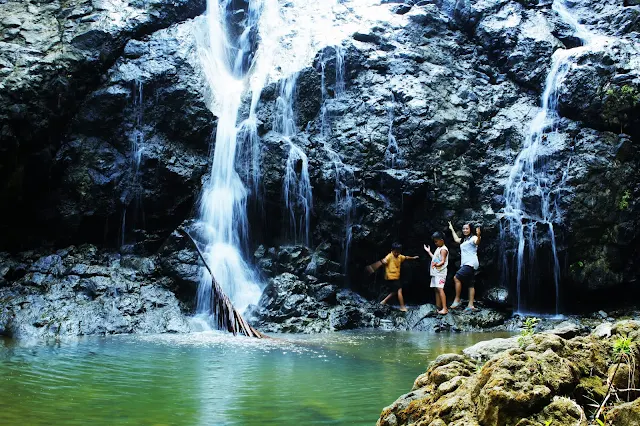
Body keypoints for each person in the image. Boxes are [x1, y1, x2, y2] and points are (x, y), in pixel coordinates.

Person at [448, 221, 481, 311]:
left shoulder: (473, 238)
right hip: (468, 264)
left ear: (470, 229)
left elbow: (477, 242)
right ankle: (470, 305)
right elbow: (456, 239)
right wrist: (451, 229)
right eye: (463, 229)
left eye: (467, 228)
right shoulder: (464, 240)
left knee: (456, 278)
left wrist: (478, 235)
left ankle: (457, 299)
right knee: (470, 284)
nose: (465, 230)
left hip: (470, 263)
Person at [380, 242, 419, 312]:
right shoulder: (389, 256)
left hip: (396, 277)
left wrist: (413, 258)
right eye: (395, 252)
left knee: (395, 291)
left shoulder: (399, 256)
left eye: (398, 252)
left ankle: (384, 301)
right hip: (390, 277)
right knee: (399, 290)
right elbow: (385, 260)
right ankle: (402, 306)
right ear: (391, 250)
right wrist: (384, 261)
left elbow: (406, 257)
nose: (396, 254)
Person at [424, 232, 449, 314]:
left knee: (440, 289)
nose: (435, 243)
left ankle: (445, 308)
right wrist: (429, 251)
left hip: (440, 273)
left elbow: (442, 261)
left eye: (436, 241)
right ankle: (438, 307)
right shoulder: (438, 249)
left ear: (441, 240)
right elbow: (435, 258)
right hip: (436, 273)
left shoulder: (443, 250)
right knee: (436, 289)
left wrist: (436, 265)